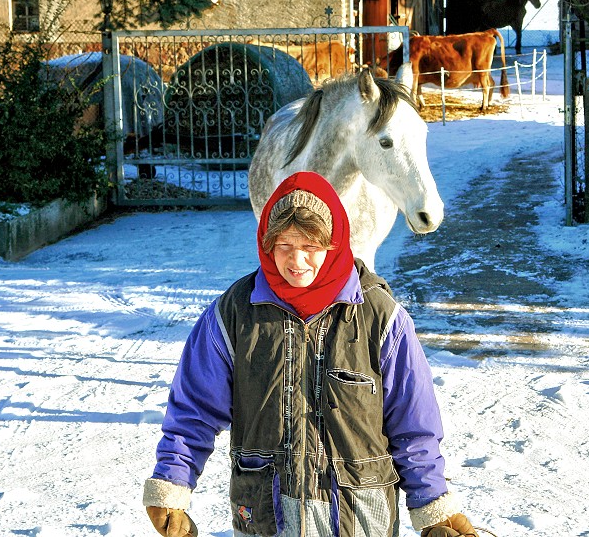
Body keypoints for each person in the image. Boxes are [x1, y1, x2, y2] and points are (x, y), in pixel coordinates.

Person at [143, 171, 492, 537]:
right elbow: (193, 411)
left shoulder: (379, 316)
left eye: (310, 246)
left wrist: (434, 507)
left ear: (334, 243)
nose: (297, 261)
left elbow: (414, 426)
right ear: (267, 244)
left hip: (360, 519)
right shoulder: (235, 313)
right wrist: (171, 485)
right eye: (284, 246)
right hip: (268, 517)